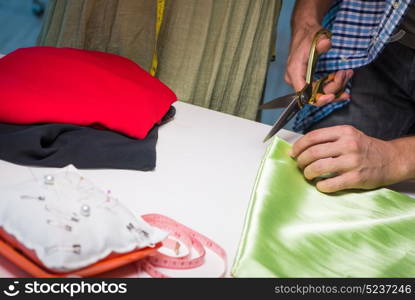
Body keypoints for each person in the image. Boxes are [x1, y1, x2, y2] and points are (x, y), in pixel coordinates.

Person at [285, 0, 415, 193]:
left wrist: (397, 158)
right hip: (378, 41)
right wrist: (306, 21)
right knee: (325, 168)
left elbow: (393, 160)